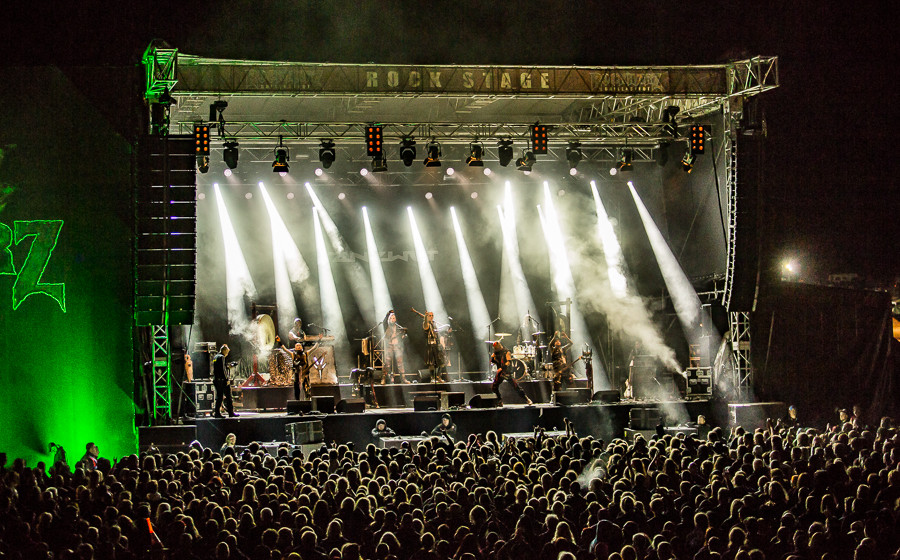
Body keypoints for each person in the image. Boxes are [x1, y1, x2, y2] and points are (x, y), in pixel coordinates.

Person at [490, 341, 533, 406]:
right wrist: (493, 358)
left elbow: (508, 362)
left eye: (496, 348)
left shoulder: (506, 352)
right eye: (494, 348)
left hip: (506, 372)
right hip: (500, 373)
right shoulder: (496, 353)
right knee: (494, 387)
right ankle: (499, 401)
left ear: (499, 346)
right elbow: (493, 361)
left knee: (516, 387)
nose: (495, 349)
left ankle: (527, 399)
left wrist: (502, 368)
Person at [278, 336, 319, 400]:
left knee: (307, 389)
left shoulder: (306, 354)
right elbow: (285, 349)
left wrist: (319, 340)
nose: (299, 346)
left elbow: (314, 348)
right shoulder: (293, 354)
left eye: (300, 345)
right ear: (295, 347)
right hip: (297, 374)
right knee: (297, 390)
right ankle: (297, 401)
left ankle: (307, 401)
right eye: (297, 345)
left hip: (305, 375)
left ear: (302, 347)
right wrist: (279, 342)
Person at [382, 310, 408, 383]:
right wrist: (388, 314)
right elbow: (384, 322)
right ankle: (383, 378)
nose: (392, 320)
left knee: (400, 363)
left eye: (393, 318)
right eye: (391, 318)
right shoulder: (387, 326)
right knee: (387, 363)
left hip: (397, 345)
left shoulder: (398, 327)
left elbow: (403, 335)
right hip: (389, 345)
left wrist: (403, 335)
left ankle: (403, 379)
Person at [421, 310, 448, 381]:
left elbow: (438, 333)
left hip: (436, 345)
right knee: (431, 363)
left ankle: (438, 376)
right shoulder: (426, 323)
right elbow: (426, 326)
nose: (431, 317)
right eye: (429, 315)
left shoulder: (434, 323)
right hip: (430, 345)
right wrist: (426, 317)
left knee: (441, 362)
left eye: (432, 315)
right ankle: (432, 378)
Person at [213, 344, 237, 417]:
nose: (227, 354)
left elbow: (220, 367)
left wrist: (229, 366)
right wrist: (227, 379)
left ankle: (217, 413)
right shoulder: (222, 357)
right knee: (228, 397)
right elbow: (223, 370)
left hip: (216, 380)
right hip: (222, 380)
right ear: (224, 350)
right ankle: (231, 413)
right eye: (227, 352)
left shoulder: (215, 357)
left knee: (219, 397)